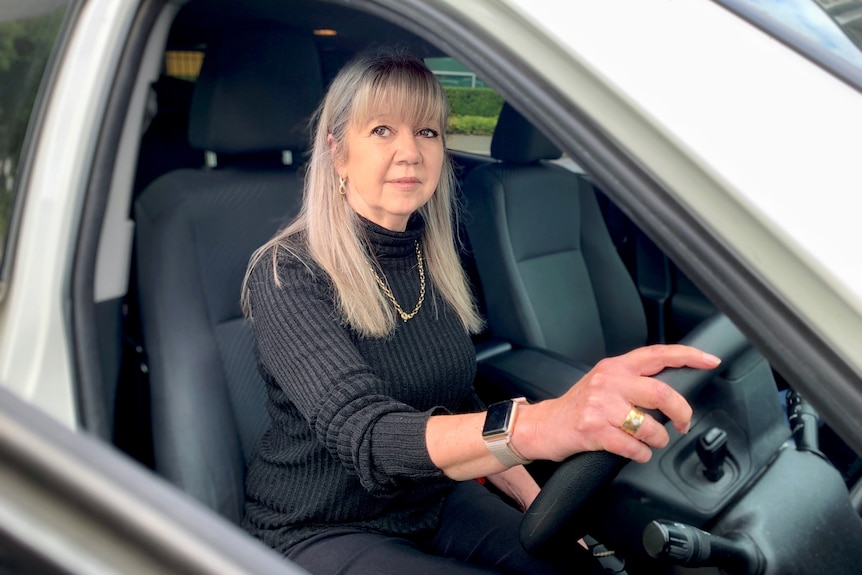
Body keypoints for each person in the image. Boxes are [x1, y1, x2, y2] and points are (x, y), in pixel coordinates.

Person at [239, 48, 721, 575]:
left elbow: (454, 396)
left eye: (427, 132)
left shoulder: (432, 259)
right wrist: (536, 427)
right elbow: (369, 439)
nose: (410, 152)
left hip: (431, 496)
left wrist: (536, 504)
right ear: (337, 151)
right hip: (321, 524)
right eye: (381, 130)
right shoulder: (287, 272)